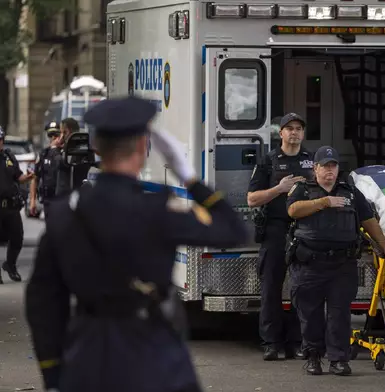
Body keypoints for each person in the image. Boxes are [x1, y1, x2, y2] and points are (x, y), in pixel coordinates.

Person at [24, 96, 248, 392]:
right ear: (144, 148)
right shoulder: (157, 209)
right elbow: (233, 231)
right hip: (153, 355)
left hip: (87, 357)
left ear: (96, 148)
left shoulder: (66, 213)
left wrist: (53, 372)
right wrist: (190, 179)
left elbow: (43, 303)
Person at [286, 145, 385, 376]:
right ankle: (313, 357)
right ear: (315, 168)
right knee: (311, 315)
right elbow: (293, 211)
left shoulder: (350, 192)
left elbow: (368, 220)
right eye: (325, 166)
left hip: (341, 264)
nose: (330, 170)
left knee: (340, 315)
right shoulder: (302, 189)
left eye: (333, 166)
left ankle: (338, 359)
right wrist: (324, 202)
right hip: (309, 263)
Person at [247, 113, 313, 361]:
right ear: (281, 133)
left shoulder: (312, 161)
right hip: (275, 230)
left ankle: (297, 342)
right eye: (289, 129)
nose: (294, 133)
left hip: (304, 230)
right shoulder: (268, 161)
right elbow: (252, 199)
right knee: (271, 289)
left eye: (299, 128)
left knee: (303, 288)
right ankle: (272, 343)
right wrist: (279, 189)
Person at [0, 127, 35, 283]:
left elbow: (18, 176)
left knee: (17, 238)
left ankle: (10, 264)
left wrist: (28, 177)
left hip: (11, 206)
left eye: (0, 140)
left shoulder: (8, 156)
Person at [29, 122, 63, 219]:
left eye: (56, 135)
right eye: (50, 135)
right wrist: (32, 201)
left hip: (62, 199)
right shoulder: (43, 154)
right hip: (47, 199)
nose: (53, 138)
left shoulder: (64, 153)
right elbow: (35, 178)